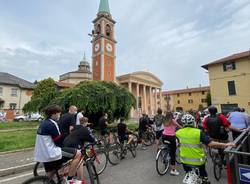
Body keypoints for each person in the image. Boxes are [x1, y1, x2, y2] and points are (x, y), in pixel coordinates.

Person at [176, 114, 235, 184]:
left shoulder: (178, 133)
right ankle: (204, 179)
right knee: (204, 177)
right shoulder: (198, 132)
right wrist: (226, 144)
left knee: (188, 174)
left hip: (184, 161)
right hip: (198, 161)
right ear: (193, 122)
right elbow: (210, 143)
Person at [34, 105, 83, 184]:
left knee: (50, 179)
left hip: (42, 154)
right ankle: (70, 179)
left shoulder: (43, 123)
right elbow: (59, 143)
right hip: (51, 153)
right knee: (78, 154)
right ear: (53, 114)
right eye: (59, 114)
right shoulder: (52, 124)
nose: (60, 116)